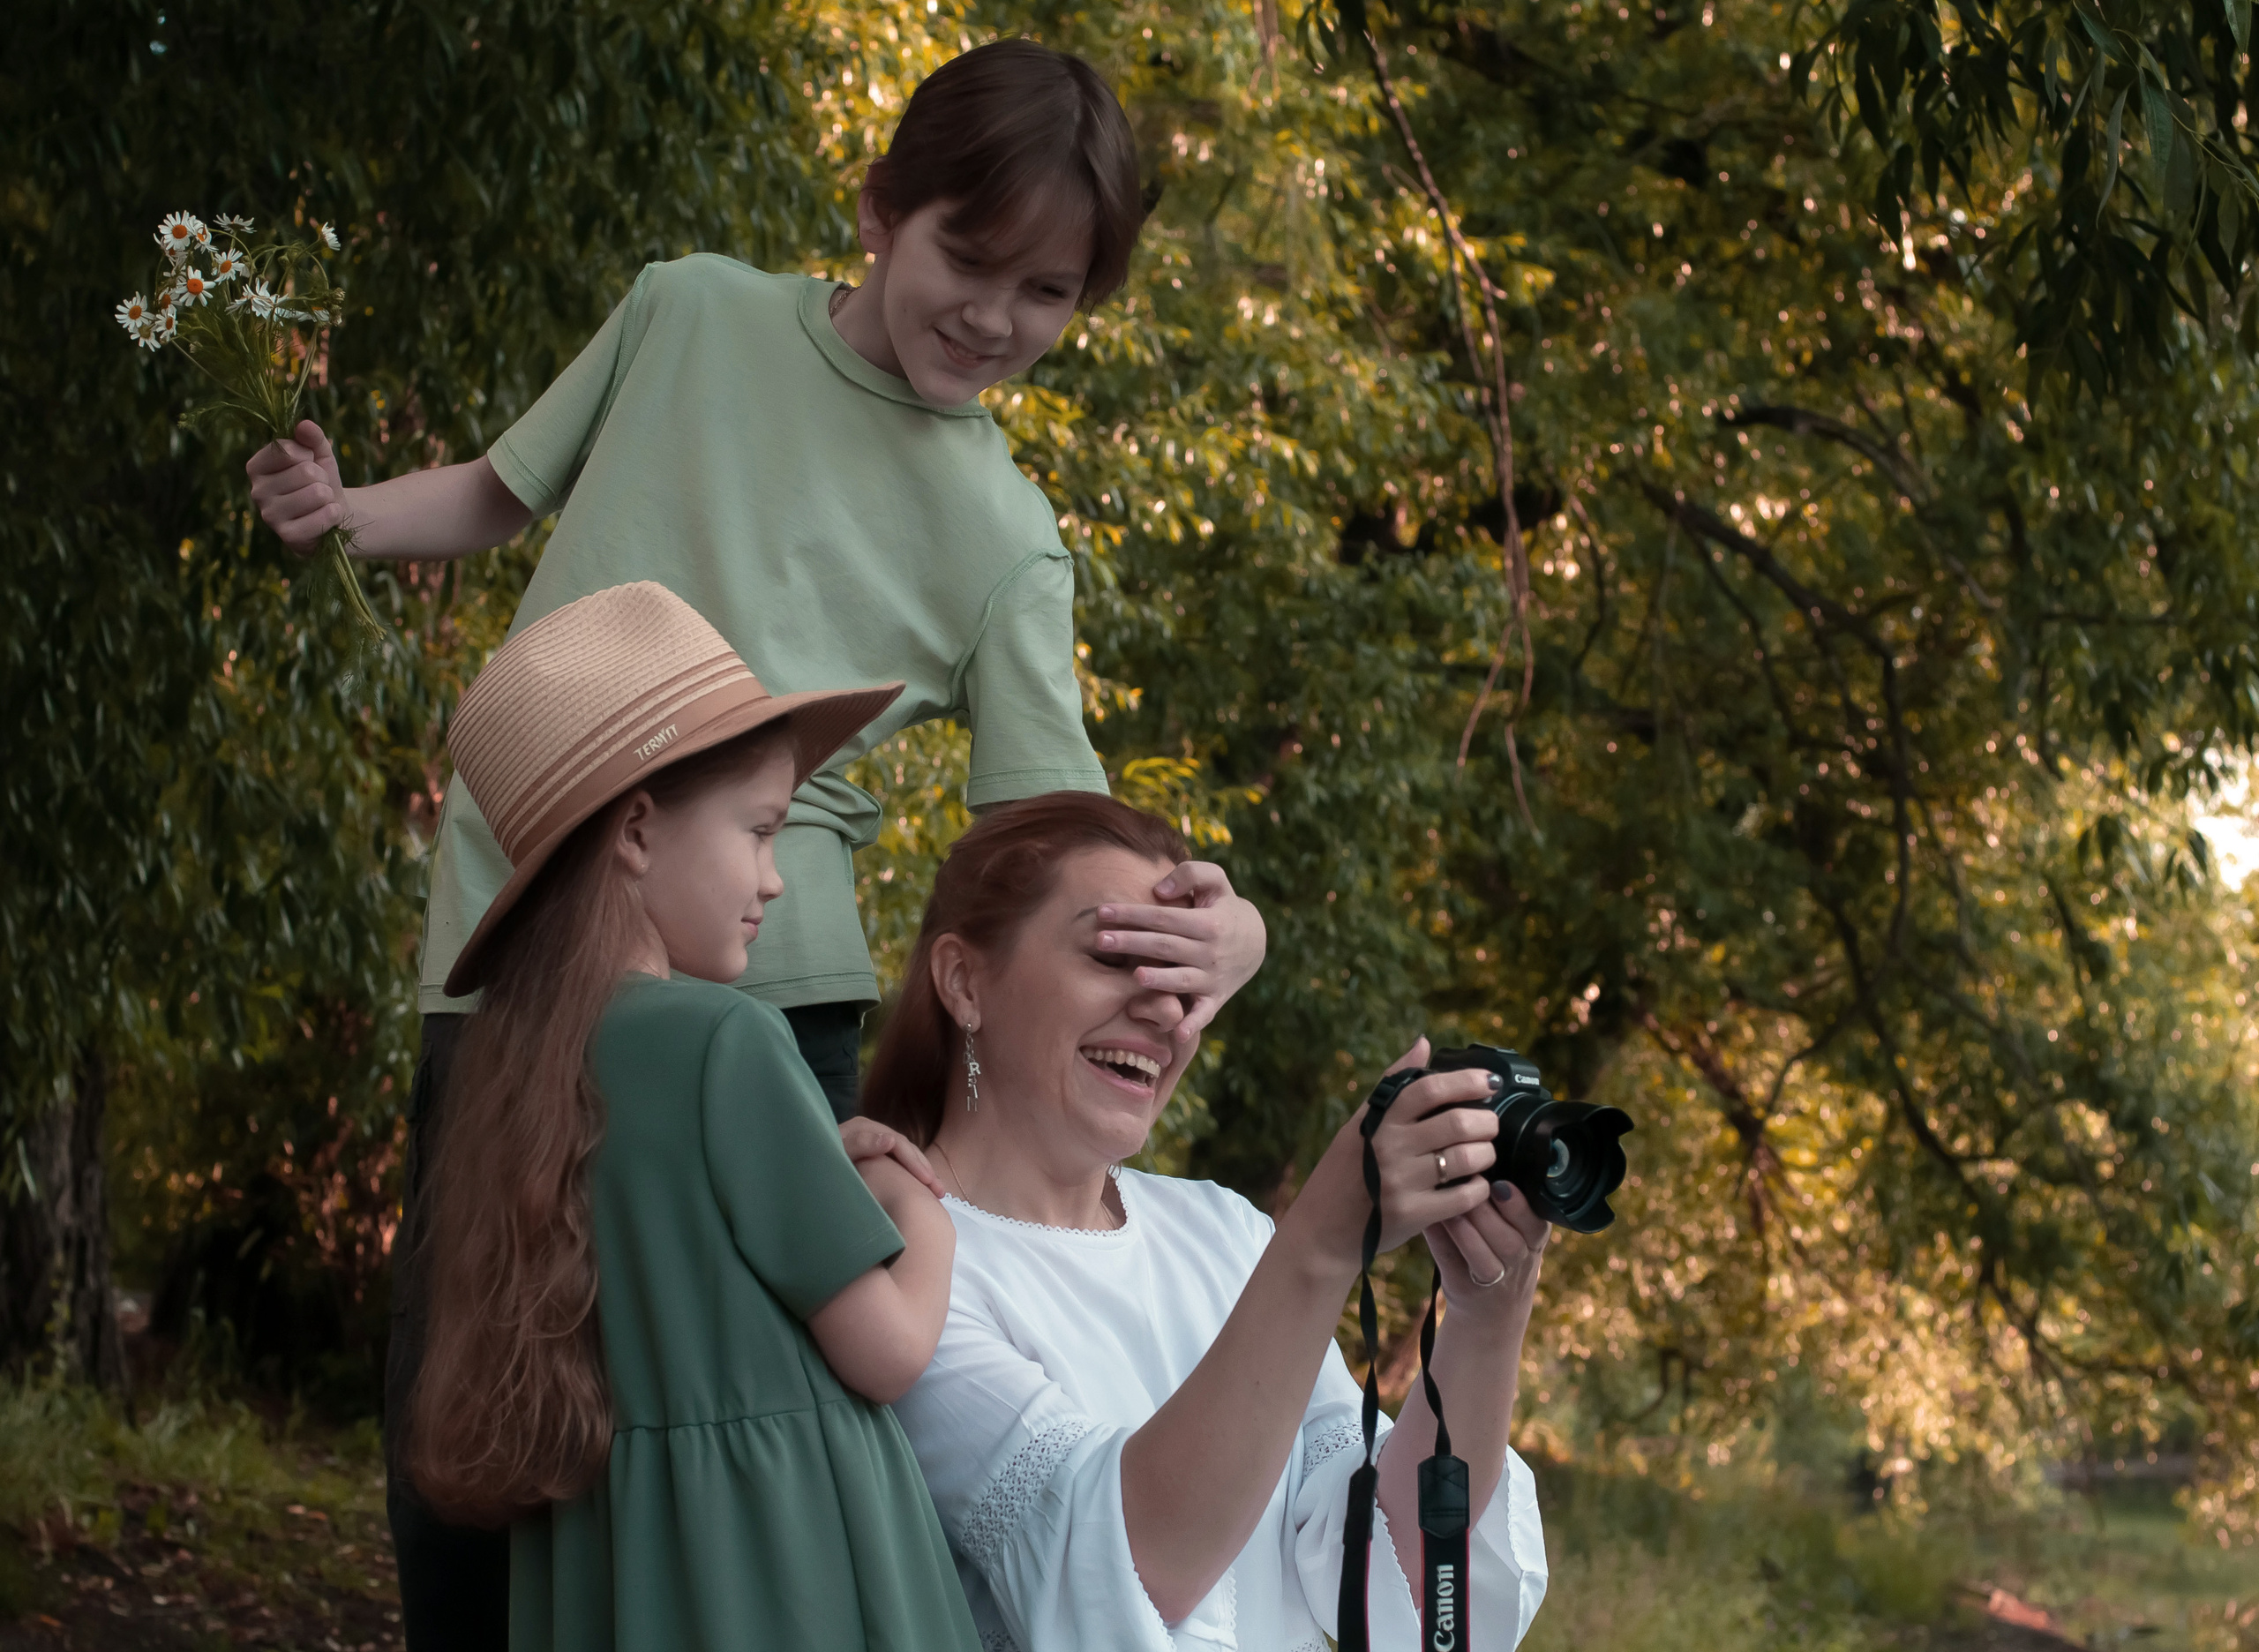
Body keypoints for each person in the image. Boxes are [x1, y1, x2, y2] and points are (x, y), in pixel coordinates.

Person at [247, 41, 1267, 1642]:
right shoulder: (691, 310)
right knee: (477, 1394)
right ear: (879, 209)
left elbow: (1046, 835)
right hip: (514, 951)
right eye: (970, 258)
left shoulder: (1008, 536)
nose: (997, 318)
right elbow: (502, 493)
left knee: (760, 1433)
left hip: (768, 998)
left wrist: (1234, 931)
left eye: (1051, 293)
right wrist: (348, 510)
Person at [406, 580, 979, 1652]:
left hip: (615, 1570)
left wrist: (813, 1157)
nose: (771, 879)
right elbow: (889, 1348)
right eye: (760, 831)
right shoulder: (724, 1040)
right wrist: (919, 1201)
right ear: (634, 832)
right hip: (780, 1565)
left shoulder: (512, 1066)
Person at [864, 793, 1552, 1652]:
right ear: (965, 981)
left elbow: (1385, 1569)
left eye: (1185, 976)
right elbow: (1126, 1565)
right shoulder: (909, 1264)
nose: (1162, 1010)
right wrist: (1322, 1243)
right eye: (1118, 957)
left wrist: (1486, 1322)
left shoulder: (1224, 1232)